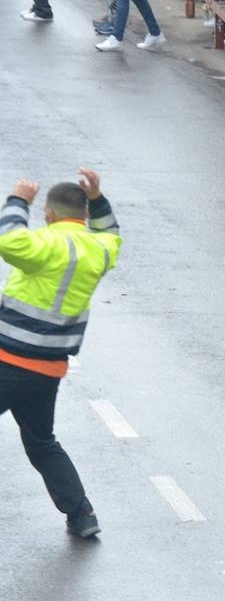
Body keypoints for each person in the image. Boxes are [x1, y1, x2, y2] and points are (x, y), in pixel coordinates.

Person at [0, 169, 122, 540]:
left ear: (49, 214)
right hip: (49, 368)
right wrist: (98, 197)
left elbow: (8, 240)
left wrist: (19, 200)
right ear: (84, 215)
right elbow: (111, 233)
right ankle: (81, 514)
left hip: (11, 361)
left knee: (41, 441)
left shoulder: (47, 245)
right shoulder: (99, 249)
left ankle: (81, 513)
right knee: (41, 441)